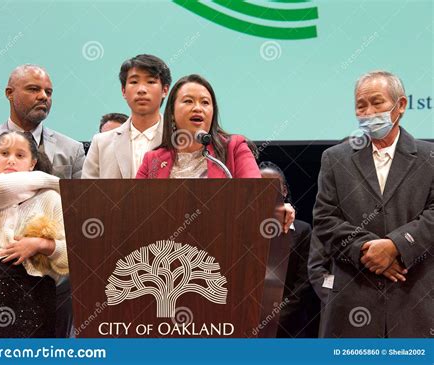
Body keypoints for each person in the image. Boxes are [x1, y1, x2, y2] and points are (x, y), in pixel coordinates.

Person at [0, 64, 84, 337]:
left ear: (34, 161)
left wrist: (41, 244)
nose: (43, 96)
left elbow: (74, 230)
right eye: (33, 89)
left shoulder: (71, 150)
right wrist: (70, 188)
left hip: (46, 287)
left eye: (48, 91)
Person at [312, 70, 433, 337]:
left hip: (414, 302)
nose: (368, 112)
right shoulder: (335, 158)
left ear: (400, 105)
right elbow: (325, 219)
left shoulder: (430, 157)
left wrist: (395, 246)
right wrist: (368, 250)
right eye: (360, 105)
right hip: (352, 302)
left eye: (376, 103)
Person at [136, 74, 295, 231]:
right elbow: (134, 210)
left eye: (205, 102)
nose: (197, 108)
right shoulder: (153, 160)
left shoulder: (234, 147)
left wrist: (277, 208)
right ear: (171, 112)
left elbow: (255, 196)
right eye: (188, 101)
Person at [0, 131, 68, 337]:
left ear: (33, 163)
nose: (11, 160)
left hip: (38, 291)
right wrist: (61, 184)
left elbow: (70, 255)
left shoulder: (51, 198)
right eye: (4, 153)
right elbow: (9, 186)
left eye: (20, 155)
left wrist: (41, 245)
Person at [82, 54, 171, 178]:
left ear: (165, 90)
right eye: (134, 82)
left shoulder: (178, 139)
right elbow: (87, 193)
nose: (141, 90)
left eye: (150, 81)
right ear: (123, 91)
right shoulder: (101, 143)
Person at [259, 162, 320, 337]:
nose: (268, 191)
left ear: (284, 190)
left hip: (291, 327)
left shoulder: (302, 231)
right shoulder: (242, 227)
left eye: (274, 186)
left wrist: (274, 319)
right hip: (246, 322)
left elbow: (304, 285)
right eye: (261, 185)